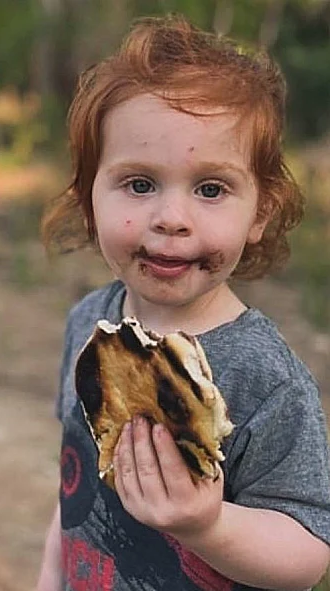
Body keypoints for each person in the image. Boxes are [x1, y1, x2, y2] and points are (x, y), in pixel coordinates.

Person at [36, 14, 330, 591]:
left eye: (211, 189)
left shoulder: (264, 377)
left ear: (260, 213)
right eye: (139, 184)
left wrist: (209, 525)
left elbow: (309, 551)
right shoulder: (90, 326)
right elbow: (74, 484)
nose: (171, 218)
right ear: (89, 199)